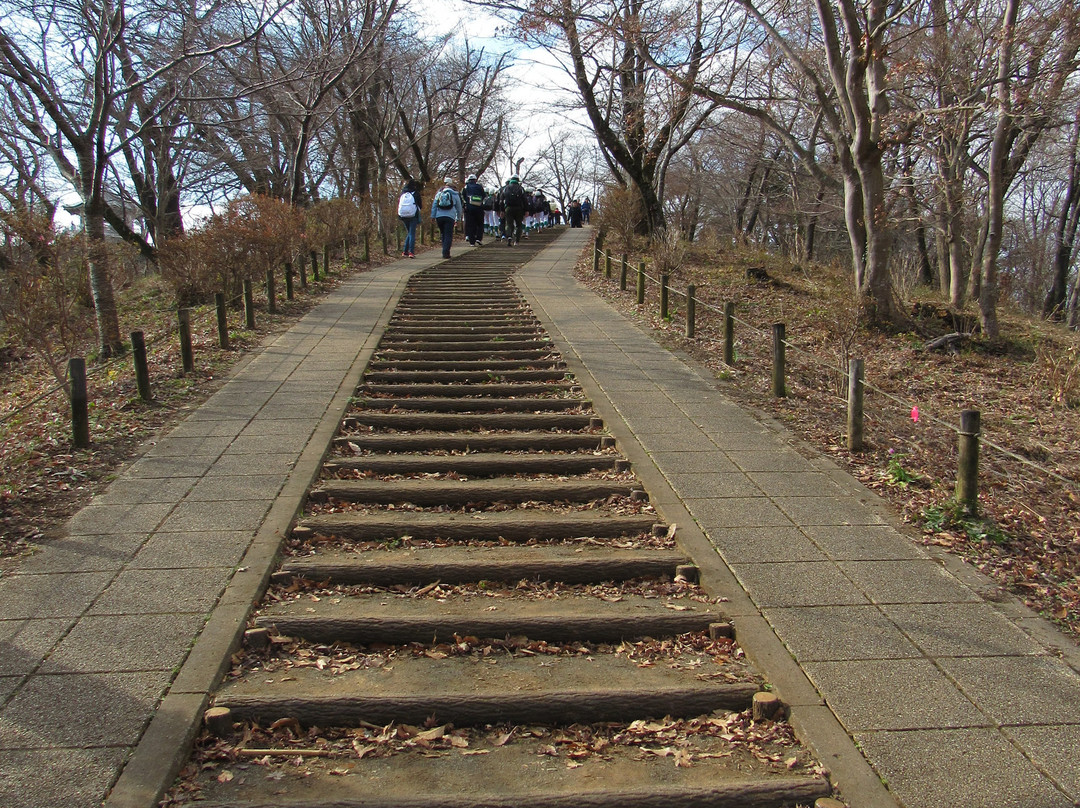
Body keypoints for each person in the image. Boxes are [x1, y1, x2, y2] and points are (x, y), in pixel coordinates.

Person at [430, 176, 463, 259]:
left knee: (443, 233)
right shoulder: (455, 194)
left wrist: (433, 216)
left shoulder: (439, 193)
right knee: (448, 234)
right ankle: (446, 252)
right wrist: (458, 218)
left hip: (439, 216)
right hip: (450, 217)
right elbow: (459, 208)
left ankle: (444, 249)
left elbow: (434, 205)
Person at [500, 175, 527, 245]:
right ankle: (517, 241)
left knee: (509, 224)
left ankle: (509, 236)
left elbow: (501, 200)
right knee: (519, 225)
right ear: (518, 180)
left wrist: (502, 210)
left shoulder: (506, 188)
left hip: (508, 208)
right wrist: (526, 210)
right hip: (519, 209)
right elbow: (525, 200)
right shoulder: (521, 188)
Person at [397, 179, 421, 258]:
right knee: (412, 233)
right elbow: (420, 205)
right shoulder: (415, 193)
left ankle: (405, 251)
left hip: (403, 215)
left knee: (409, 233)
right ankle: (411, 252)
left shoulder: (403, 193)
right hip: (413, 215)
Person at [462, 174, 486, 246]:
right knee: (480, 224)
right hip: (479, 208)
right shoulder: (480, 187)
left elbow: (463, 197)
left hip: (469, 209)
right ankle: (479, 238)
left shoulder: (466, 187)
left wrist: (466, 204)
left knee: (470, 225)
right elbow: (484, 196)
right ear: (475, 180)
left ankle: (472, 242)